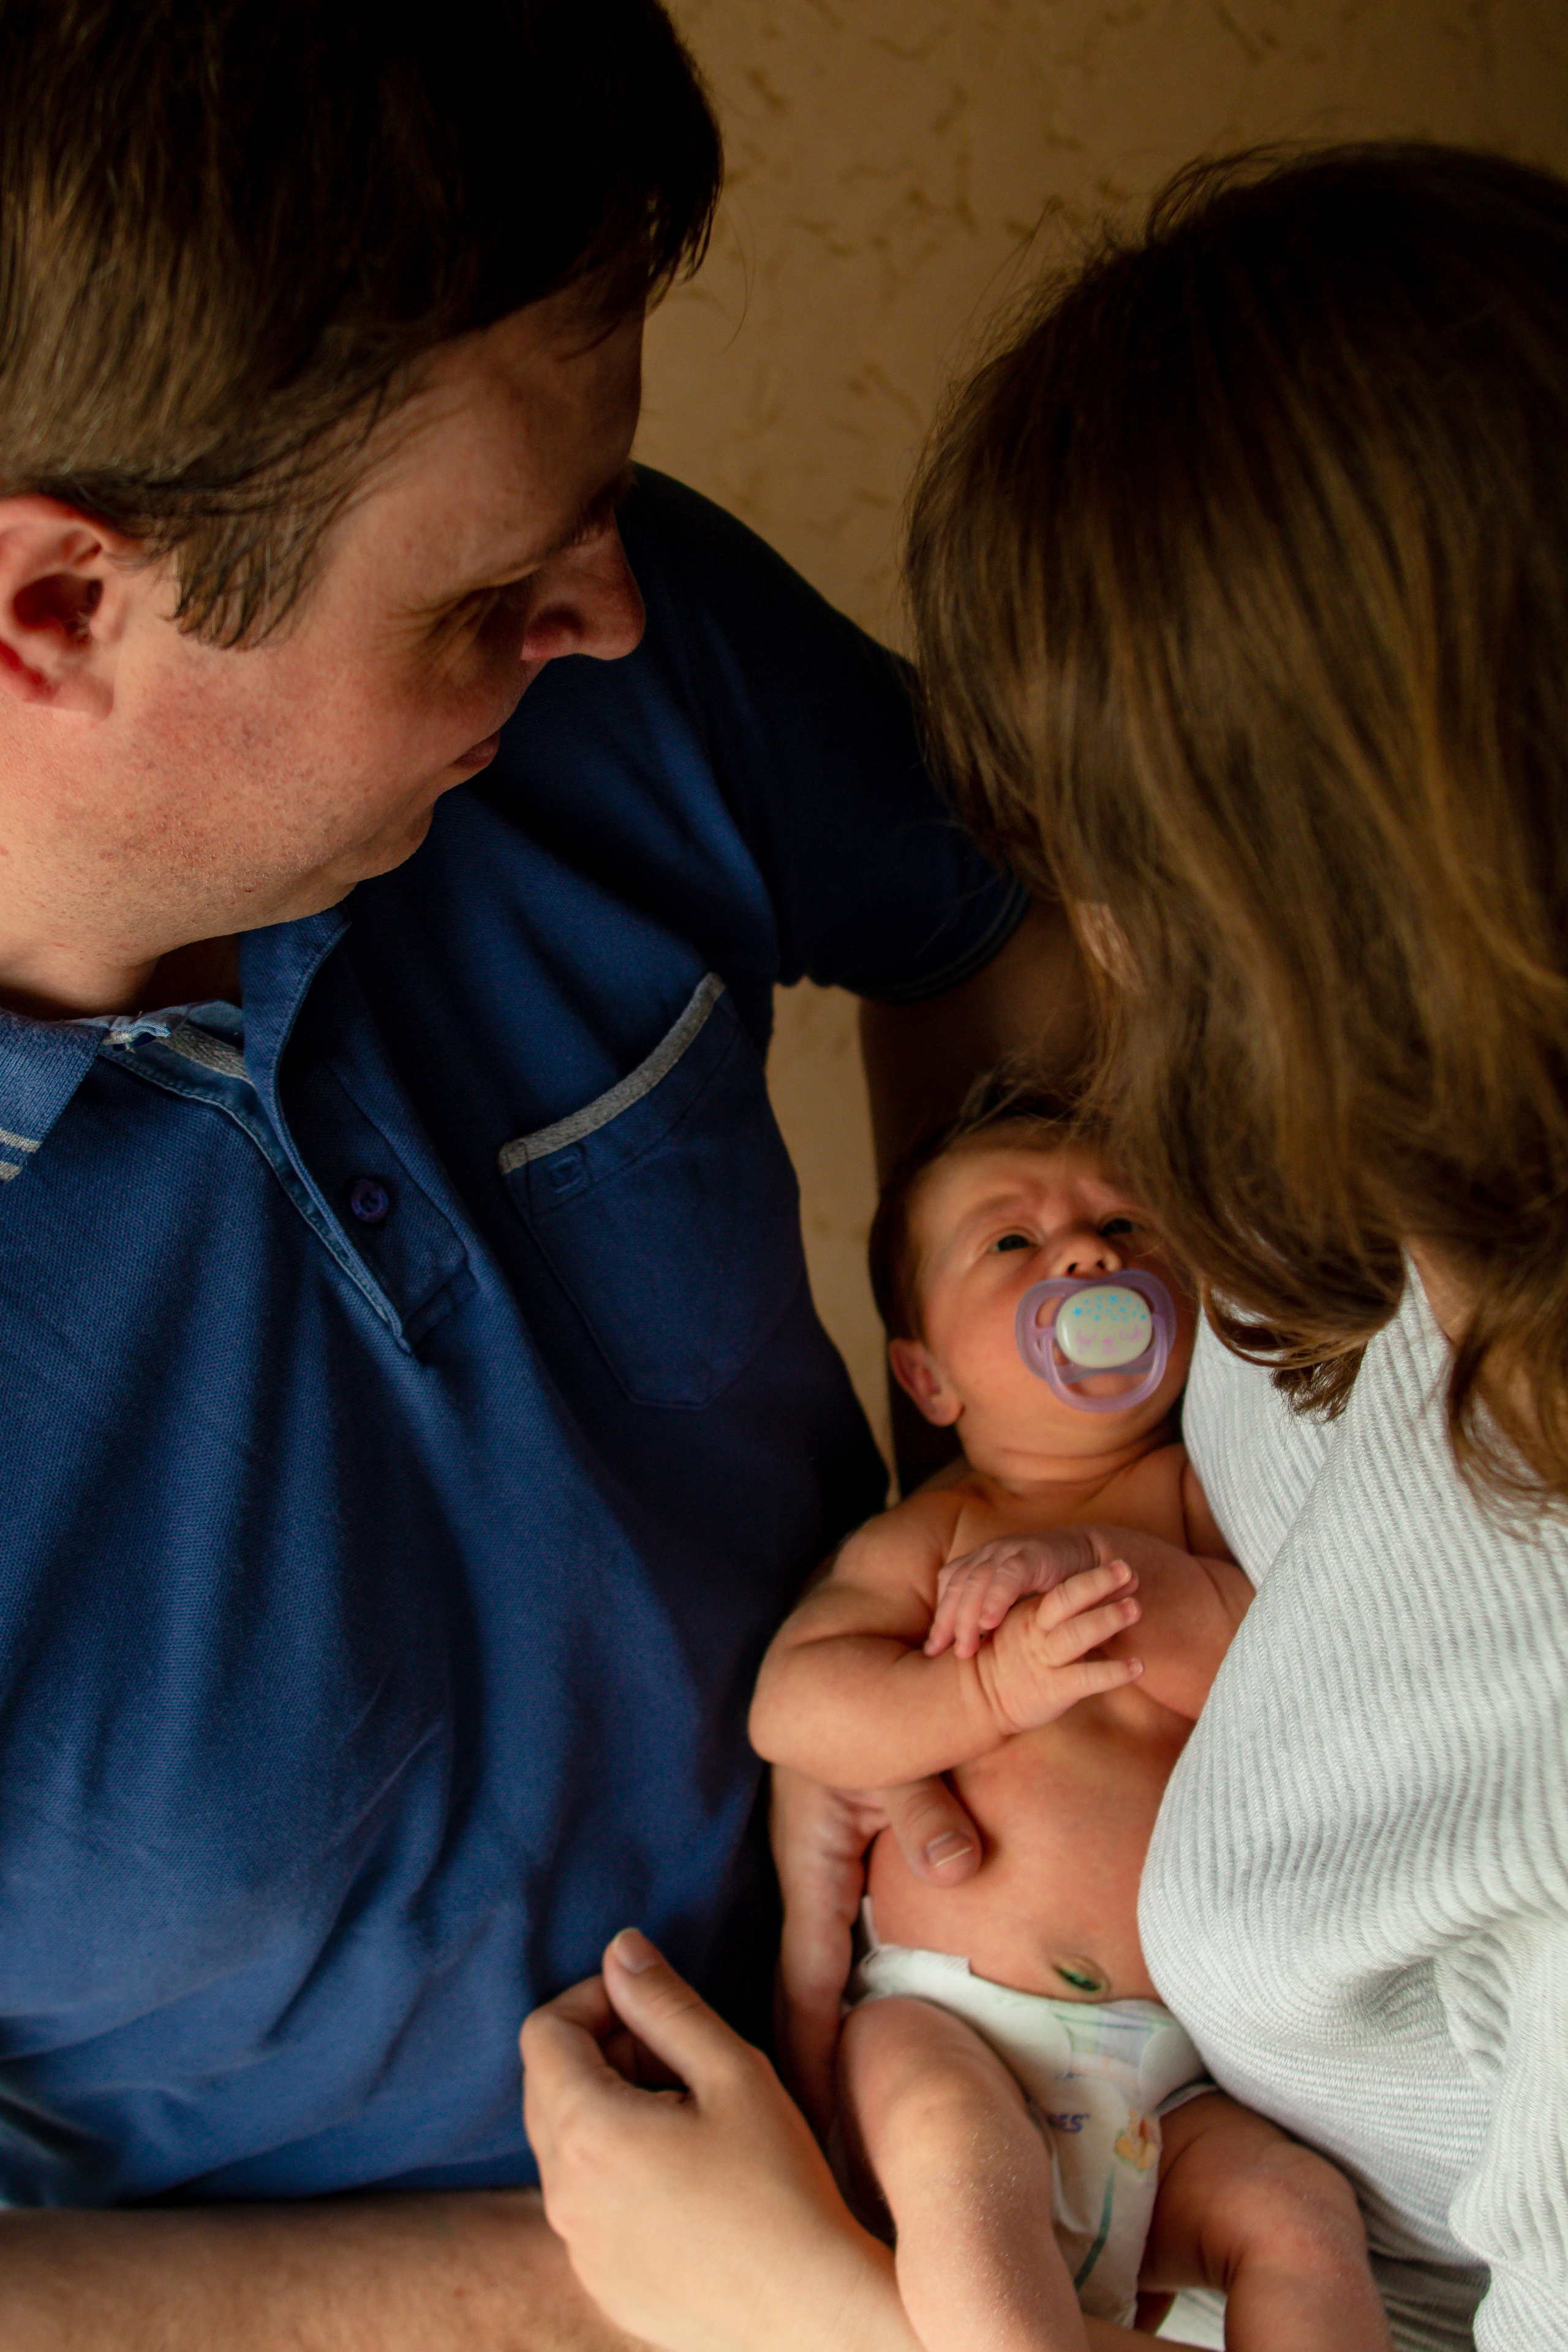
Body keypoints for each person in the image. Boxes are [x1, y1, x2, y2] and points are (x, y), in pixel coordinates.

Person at [0, 2, 1076, 2343]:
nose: (600, 609)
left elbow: (1013, 931)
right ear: (56, 611)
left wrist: (994, 1495)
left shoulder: (612, 665)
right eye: (486, 591)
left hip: (1032, 2069)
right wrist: (679, 2293)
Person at [522, 144, 1568, 2352]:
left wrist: (795, 2313)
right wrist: (925, 1702)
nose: (1087, 964)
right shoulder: (1309, 1289)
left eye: (1111, 864)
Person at [750, 1081, 1389, 2347]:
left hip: (1179, 2074)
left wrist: (1126, 1577)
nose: (1087, 1254)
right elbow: (797, 1710)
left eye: (1125, 1226)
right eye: (1011, 1241)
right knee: (959, 2170)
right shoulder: (938, 1529)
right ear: (926, 1376)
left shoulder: (1198, 1501)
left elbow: (1286, 1688)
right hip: (948, 2024)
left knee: (1299, 2221)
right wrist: (983, 1689)